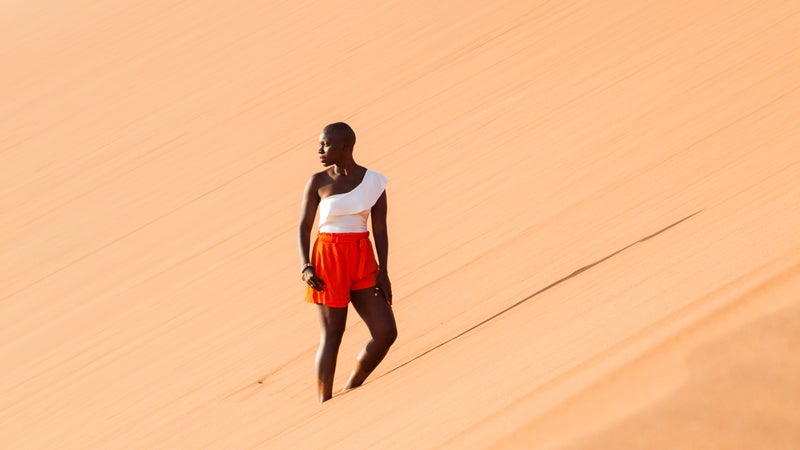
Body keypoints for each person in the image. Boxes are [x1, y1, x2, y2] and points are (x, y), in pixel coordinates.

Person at [298, 122, 397, 403]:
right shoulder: (317, 182)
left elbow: (380, 229)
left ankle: (352, 386)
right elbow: (304, 228)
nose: (319, 150)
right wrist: (306, 266)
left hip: (362, 257)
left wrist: (385, 272)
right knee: (332, 335)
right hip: (328, 259)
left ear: (345, 147)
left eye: (325, 144)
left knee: (385, 332)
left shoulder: (375, 182)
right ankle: (323, 403)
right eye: (320, 144)